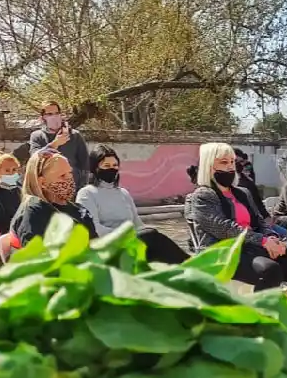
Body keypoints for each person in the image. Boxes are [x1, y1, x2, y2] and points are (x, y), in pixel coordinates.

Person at [188, 142, 287, 322]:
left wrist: (272, 238)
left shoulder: (242, 193)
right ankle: (260, 327)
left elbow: (259, 221)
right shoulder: (203, 195)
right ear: (209, 165)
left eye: (232, 161)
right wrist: (262, 241)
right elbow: (223, 227)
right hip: (223, 253)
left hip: (251, 249)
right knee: (269, 270)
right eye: (224, 162)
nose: (230, 167)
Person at [13, 149, 186, 265]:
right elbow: (38, 258)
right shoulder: (35, 210)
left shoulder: (75, 209)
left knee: (152, 243)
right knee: (150, 237)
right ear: (42, 182)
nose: (69, 180)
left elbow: (95, 241)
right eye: (62, 175)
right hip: (80, 272)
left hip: (99, 260)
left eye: (70, 174)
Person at [76, 145, 143, 237]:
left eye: (115, 165)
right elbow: (93, 227)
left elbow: (137, 222)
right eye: (106, 165)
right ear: (95, 168)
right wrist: (125, 235)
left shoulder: (124, 193)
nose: (111, 169)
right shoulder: (87, 193)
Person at [28, 101, 89, 189]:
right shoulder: (37, 136)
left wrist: (82, 188)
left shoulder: (75, 135)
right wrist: (55, 144)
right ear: (43, 118)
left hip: (72, 187)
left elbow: (85, 165)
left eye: (57, 113)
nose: (54, 116)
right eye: (50, 114)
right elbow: (35, 158)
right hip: (47, 187)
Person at [234, 149, 270, 219]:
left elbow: (258, 202)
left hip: (253, 220)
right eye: (235, 161)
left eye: (241, 161)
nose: (238, 164)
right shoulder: (223, 183)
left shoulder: (249, 182)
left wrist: (267, 217)